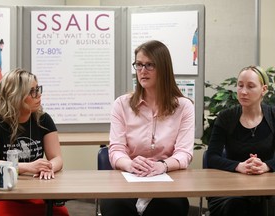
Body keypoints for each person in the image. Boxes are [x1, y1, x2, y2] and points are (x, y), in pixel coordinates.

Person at [100, 40, 195, 216]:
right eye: (139, 64)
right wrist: (130, 164)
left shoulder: (184, 107)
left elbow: (184, 154)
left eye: (149, 65)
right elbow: (116, 150)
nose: (142, 71)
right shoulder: (121, 104)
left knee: (168, 209)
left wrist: (162, 166)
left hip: (167, 181)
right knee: (115, 208)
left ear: (163, 68)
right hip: (128, 179)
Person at [0, 68, 69, 216]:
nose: (39, 95)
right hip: (2, 190)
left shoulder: (43, 120)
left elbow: (57, 158)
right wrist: (28, 167)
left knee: (60, 213)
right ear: (16, 96)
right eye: (32, 91)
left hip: (34, 189)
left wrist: (49, 167)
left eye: (38, 89)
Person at [206, 65, 275, 216]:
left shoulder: (273, 116)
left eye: (250, 86)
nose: (243, 92)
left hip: (266, 187)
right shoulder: (226, 117)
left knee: (265, 204)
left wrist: (266, 166)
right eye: (240, 85)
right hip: (229, 189)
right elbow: (211, 157)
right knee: (236, 205)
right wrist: (239, 166)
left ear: (263, 89)